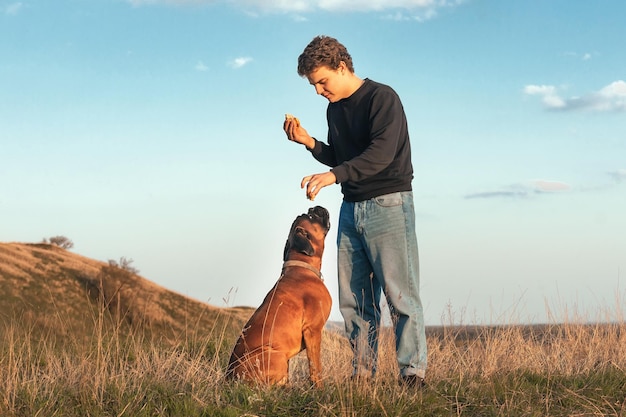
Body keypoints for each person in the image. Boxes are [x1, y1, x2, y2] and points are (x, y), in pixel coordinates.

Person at [283, 35, 427, 386]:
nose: (318, 91)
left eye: (322, 81)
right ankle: (363, 375)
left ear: (342, 67)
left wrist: (333, 175)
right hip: (351, 209)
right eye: (313, 84)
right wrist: (310, 143)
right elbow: (343, 159)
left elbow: (380, 155)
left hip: (389, 204)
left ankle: (412, 376)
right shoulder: (334, 110)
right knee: (355, 300)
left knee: (400, 296)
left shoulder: (382, 99)